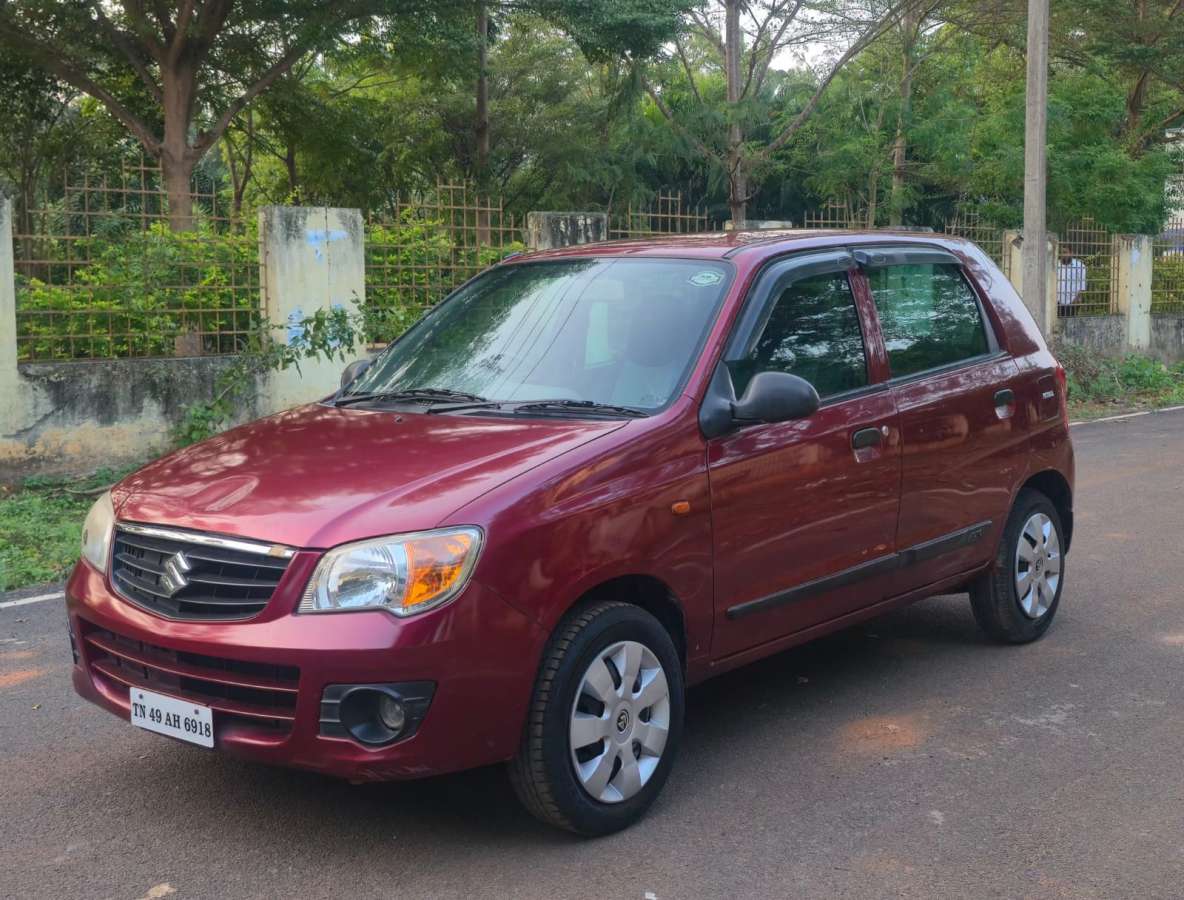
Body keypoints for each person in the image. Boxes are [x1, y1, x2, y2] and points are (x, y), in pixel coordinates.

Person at [1057, 249, 1087, 315]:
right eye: (1061, 252)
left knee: (1070, 321)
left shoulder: (1079, 266)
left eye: (1065, 252)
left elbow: (1082, 283)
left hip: (1072, 301)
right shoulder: (1056, 265)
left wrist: (1078, 297)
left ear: (1071, 253)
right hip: (1057, 301)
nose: (1063, 255)